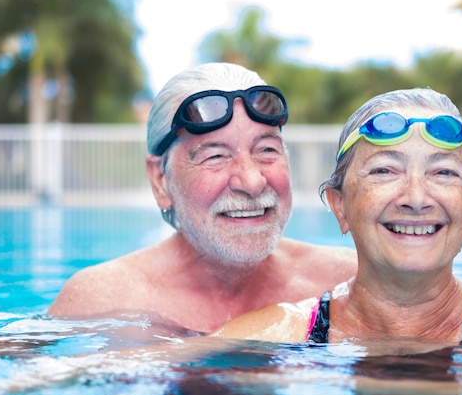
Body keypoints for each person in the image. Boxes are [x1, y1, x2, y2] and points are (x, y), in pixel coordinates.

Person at [212, 87, 462, 347]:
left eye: (444, 173)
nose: (417, 199)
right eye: (385, 170)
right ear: (339, 206)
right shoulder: (270, 336)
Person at [47, 62, 357, 334]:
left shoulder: (351, 283)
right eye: (215, 156)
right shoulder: (99, 303)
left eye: (267, 150)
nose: (251, 181)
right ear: (160, 180)